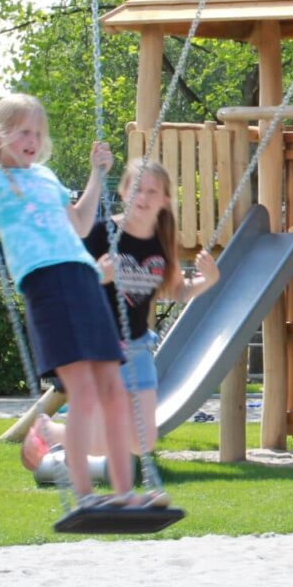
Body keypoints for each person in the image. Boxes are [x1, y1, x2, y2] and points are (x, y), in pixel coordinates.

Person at [0, 95, 147, 506]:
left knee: (113, 387)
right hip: (45, 282)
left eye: (38, 134)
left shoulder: (45, 177)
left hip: (84, 277)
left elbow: (78, 224)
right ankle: (84, 494)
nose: (33, 140)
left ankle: (125, 493)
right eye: (24, 131)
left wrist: (97, 174)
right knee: (82, 391)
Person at [85, 158, 219, 442]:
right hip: (99, 348)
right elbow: (72, 285)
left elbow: (176, 291)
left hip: (137, 347)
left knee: (143, 441)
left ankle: (60, 436)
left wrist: (208, 280)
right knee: (99, 441)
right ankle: (52, 434)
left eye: (152, 191)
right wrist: (99, 274)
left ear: (166, 200)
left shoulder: (161, 241)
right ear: (123, 192)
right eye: (137, 188)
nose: (142, 197)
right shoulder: (101, 233)